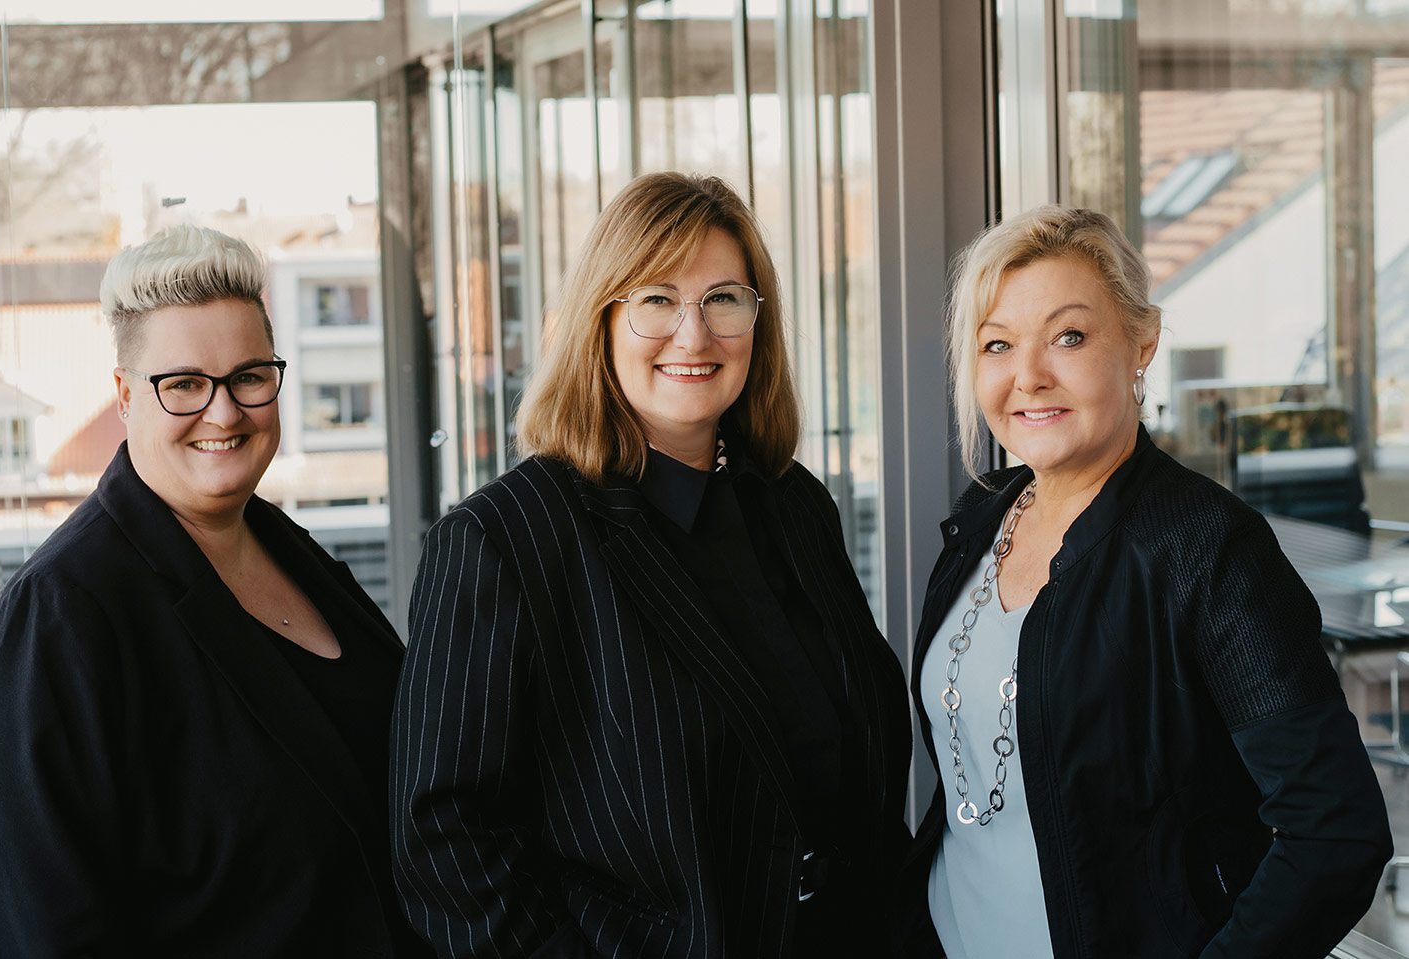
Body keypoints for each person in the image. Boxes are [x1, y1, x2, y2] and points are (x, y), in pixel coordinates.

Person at [390, 172, 913, 958]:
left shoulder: (793, 505)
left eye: (725, 299)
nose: (694, 336)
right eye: (657, 300)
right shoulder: (505, 540)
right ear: (600, 321)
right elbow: (442, 840)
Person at [904, 205, 1392, 958]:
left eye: (1068, 336)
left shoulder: (1207, 548)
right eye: (997, 344)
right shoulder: (982, 516)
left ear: (1141, 343)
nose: (1028, 375)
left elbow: (1335, 830)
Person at [0, 225, 429, 957]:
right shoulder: (63, 612)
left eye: (249, 375)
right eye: (184, 384)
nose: (225, 411)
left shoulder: (291, 550)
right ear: (124, 396)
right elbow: (41, 931)